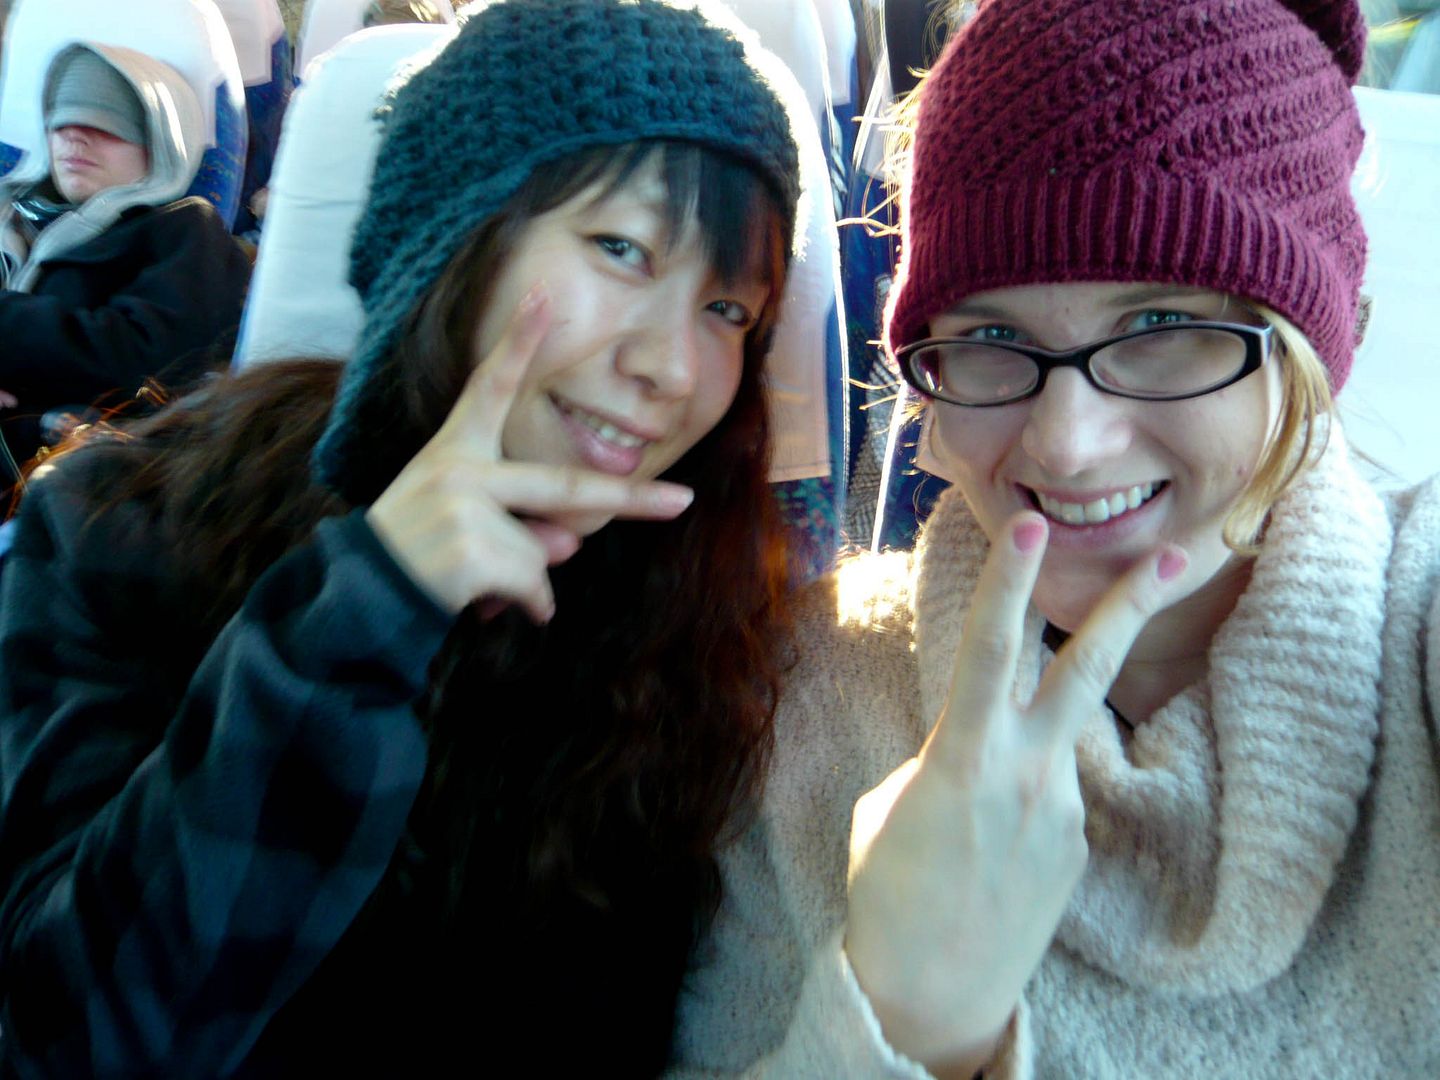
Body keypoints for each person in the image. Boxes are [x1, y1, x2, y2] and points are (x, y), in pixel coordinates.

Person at [0, 0, 799, 1074]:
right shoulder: (125, 527)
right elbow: (69, 1041)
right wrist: (368, 614)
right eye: (621, 249)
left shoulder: (698, 619)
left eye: (729, 311)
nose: (671, 367)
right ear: (456, 242)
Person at [668, 0, 1440, 1076]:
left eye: (1162, 326)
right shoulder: (813, 691)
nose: (1067, 445)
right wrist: (901, 1023)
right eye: (992, 337)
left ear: (1313, 347)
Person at [0, 42, 252, 481]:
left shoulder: (185, 232)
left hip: (70, 475)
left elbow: (145, 361)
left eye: (106, 125)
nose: (75, 136)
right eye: (62, 123)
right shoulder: (13, 216)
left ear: (157, 142)